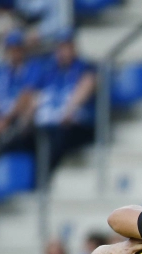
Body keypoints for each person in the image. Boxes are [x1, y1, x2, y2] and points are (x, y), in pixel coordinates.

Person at [33, 31, 96, 169]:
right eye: (60, 47)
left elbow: (89, 84)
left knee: (59, 134)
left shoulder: (84, 67)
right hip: (49, 123)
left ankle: (43, 178)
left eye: (66, 47)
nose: (63, 52)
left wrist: (68, 111)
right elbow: (33, 95)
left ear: (73, 48)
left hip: (77, 125)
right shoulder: (50, 70)